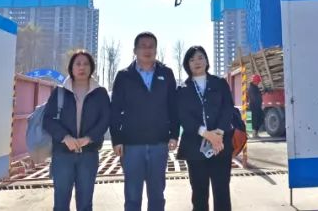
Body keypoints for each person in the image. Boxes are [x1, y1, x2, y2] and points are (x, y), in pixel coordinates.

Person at [110, 32, 178, 211]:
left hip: (159, 143)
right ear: (135, 50)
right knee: (132, 196)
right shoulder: (124, 76)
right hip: (132, 145)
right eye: (143, 46)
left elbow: (173, 106)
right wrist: (116, 139)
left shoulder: (166, 73)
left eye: (151, 46)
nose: (147, 50)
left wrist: (174, 134)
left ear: (156, 50)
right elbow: (115, 110)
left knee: (157, 196)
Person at [174, 46, 244, 211]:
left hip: (220, 145)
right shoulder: (182, 89)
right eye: (192, 60)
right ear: (187, 64)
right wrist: (205, 133)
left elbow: (227, 109)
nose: (196, 62)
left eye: (200, 57)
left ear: (206, 60)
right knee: (199, 194)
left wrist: (218, 133)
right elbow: (183, 116)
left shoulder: (219, 83)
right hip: (195, 147)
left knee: (222, 192)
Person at [42, 50, 110, 211]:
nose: (82, 67)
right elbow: (48, 120)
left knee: (85, 203)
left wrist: (89, 138)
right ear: (71, 68)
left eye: (86, 64)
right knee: (61, 203)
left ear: (91, 68)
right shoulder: (59, 92)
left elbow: (105, 120)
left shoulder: (100, 93)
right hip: (62, 154)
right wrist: (65, 137)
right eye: (78, 64)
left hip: (89, 155)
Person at [247, 74, 264, 138]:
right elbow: (254, 98)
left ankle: (256, 133)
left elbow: (258, 95)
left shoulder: (255, 87)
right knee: (255, 120)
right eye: (258, 81)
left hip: (257, 106)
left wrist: (262, 92)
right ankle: (254, 134)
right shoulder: (251, 88)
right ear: (254, 81)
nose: (258, 83)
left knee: (261, 118)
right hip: (254, 107)